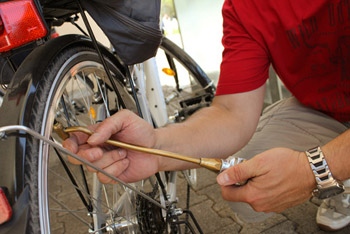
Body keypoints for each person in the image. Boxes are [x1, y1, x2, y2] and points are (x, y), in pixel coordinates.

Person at [63, 0, 350, 231]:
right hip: (324, 108)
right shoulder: (244, 8)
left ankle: (337, 175)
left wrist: (315, 168)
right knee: (249, 181)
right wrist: (155, 148)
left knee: (324, 167)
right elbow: (231, 112)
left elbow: (311, 167)